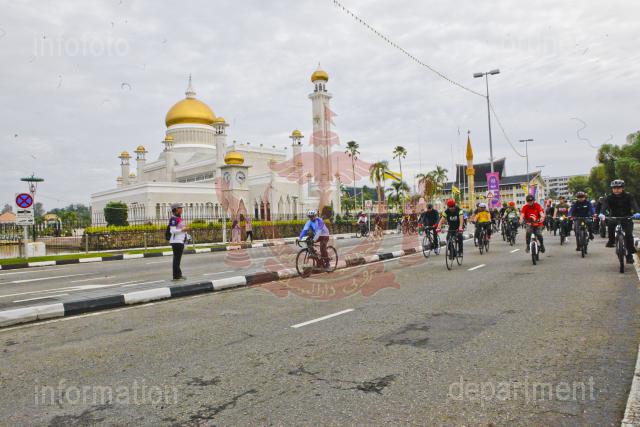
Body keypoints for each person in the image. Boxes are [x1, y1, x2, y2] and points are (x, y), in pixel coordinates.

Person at [599, 179, 640, 264]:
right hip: (614, 217)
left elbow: (634, 204)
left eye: (618, 188)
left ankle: (629, 255)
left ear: (622, 188)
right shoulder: (608, 197)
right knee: (610, 227)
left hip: (627, 217)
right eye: (614, 188)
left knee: (629, 236)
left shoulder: (629, 196)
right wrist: (602, 213)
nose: (616, 190)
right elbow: (604, 206)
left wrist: (637, 212)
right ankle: (611, 241)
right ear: (612, 189)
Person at [169, 202, 190, 281]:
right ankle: (177, 276)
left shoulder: (179, 218)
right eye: (180, 208)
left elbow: (182, 230)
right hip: (176, 242)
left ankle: (177, 275)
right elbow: (172, 231)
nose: (181, 210)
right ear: (176, 209)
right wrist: (183, 229)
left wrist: (186, 233)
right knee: (177, 260)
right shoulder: (173, 219)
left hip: (180, 241)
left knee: (177, 260)